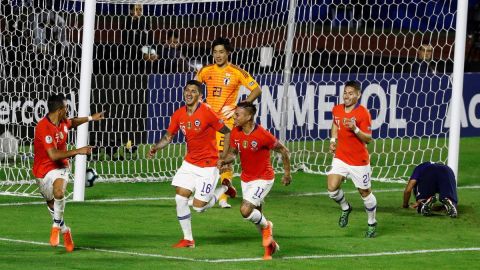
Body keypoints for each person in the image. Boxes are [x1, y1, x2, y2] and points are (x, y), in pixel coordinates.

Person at [147, 80, 235, 248]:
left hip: (208, 166)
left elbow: (227, 132)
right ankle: (188, 239)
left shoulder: (207, 112)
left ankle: (225, 187)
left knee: (199, 207)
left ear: (200, 96)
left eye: (193, 91)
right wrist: (155, 148)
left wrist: (223, 157)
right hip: (190, 163)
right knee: (180, 198)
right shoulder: (179, 114)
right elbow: (168, 137)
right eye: (187, 90)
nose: (189, 93)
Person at [218, 102, 291, 260]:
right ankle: (269, 247)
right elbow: (233, 154)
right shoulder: (236, 132)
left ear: (249, 116)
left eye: (238, 115)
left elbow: (283, 150)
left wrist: (287, 173)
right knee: (257, 217)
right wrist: (224, 161)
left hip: (263, 179)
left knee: (245, 210)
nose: (234, 117)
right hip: (246, 180)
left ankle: (268, 227)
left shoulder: (263, 135)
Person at [195, 37, 262, 208]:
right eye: (215, 52)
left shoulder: (236, 72)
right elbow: (194, 88)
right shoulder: (205, 70)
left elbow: (257, 89)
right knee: (205, 157)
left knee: (223, 157)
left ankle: (222, 196)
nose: (218, 55)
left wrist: (240, 107)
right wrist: (201, 102)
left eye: (221, 52)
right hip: (207, 122)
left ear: (228, 53)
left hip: (226, 123)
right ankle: (219, 189)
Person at [32, 93, 104, 252]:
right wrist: (79, 151)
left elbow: (72, 122)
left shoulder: (63, 121)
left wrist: (91, 118)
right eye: (66, 107)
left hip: (61, 167)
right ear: (59, 110)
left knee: (59, 192)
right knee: (52, 204)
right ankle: (65, 230)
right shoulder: (43, 127)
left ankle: (55, 227)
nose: (67, 110)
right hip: (42, 170)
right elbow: (53, 155)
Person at [327, 80, 377, 238]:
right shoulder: (337, 109)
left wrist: (355, 128)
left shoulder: (363, 113)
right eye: (345, 93)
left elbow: (368, 139)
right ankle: (345, 207)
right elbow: (335, 124)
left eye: (350, 93)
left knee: (365, 193)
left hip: (358, 161)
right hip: (341, 156)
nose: (346, 96)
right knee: (332, 188)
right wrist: (333, 141)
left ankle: (371, 222)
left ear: (358, 95)